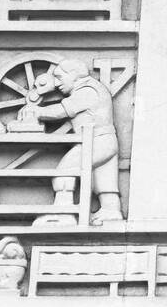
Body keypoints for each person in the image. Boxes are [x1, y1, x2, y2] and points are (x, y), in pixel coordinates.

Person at [32, 58, 122, 224]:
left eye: (60, 78)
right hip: (105, 140)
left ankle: (64, 213)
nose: (57, 84)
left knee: (65, 170)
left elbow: (62, 111)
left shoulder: (87, 90)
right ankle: (110, 210)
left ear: (73, 75)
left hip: (97, 141)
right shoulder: (94, 88)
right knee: (104, 177)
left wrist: (36, 112)